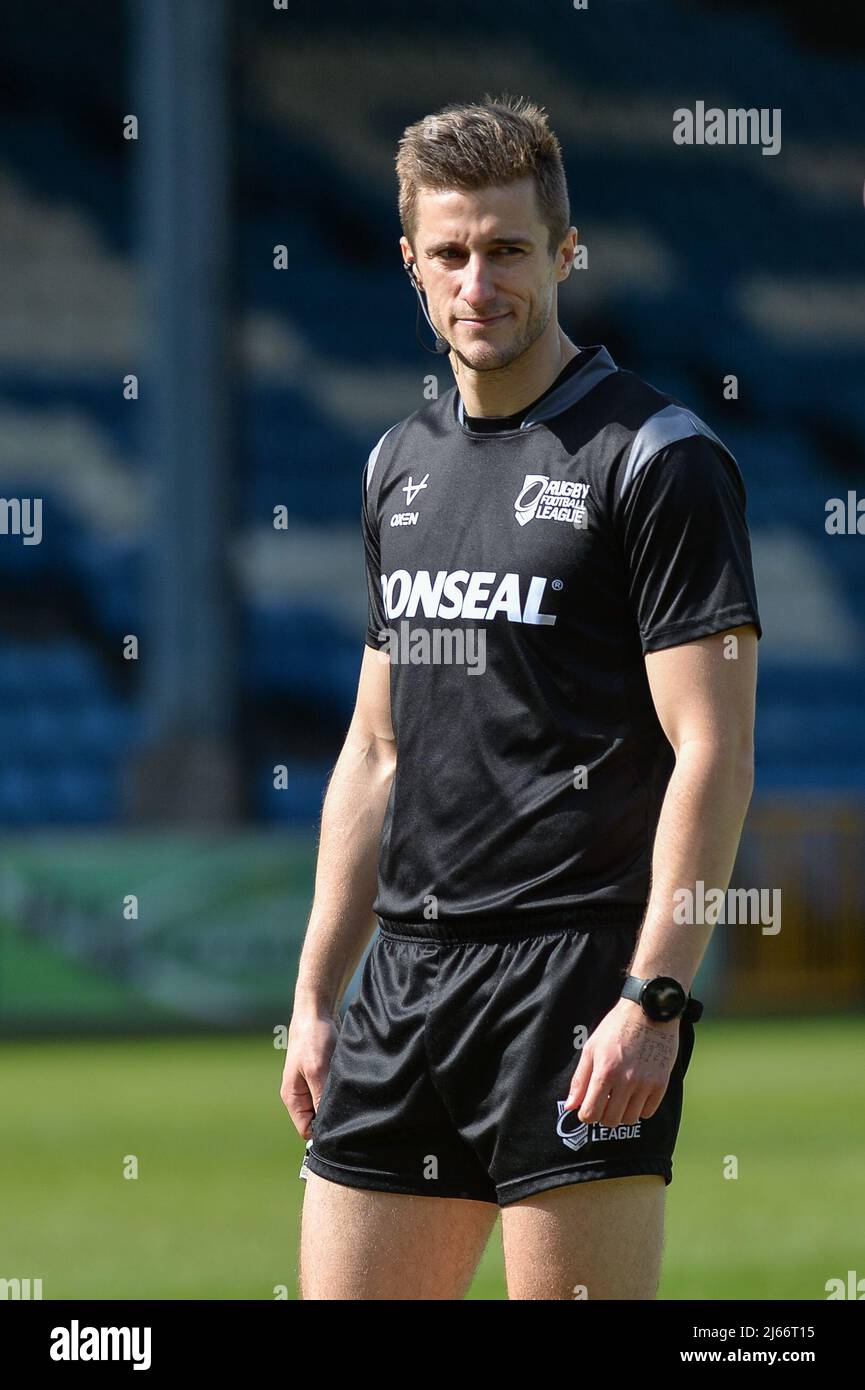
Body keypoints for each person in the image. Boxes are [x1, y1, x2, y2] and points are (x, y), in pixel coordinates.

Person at [281, 94, 761, 1300]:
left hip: (577, 979)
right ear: (410, 264)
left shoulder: (656, 458)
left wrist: (655, 994)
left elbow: (712, 750)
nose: (478, 280)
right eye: (450, 251)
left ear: (564, 252)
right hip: (407, 981)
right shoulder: (395, 464)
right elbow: (375, 751)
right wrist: (316, 991)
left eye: (506, 248)